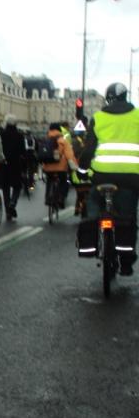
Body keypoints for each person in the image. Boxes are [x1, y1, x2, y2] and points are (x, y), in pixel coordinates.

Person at [78, 82, 139, 276]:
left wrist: (81, 169)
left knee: (93, 206)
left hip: (102, 175)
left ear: (108, 98)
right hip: (131, 177)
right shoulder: (137, 116)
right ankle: (127, 261)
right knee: (128, 216)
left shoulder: (99, 117)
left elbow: (89, 150)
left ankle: (91, 240)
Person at [41, 122, 77, 208]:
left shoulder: (45, 140)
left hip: (48, 167)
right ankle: (61, 198)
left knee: (49, 181)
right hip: (61, 168)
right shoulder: (63, 141)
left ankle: (48, 198)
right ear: (59, 130)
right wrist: (74, 167)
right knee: (64, 181)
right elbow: (69, 155)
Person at [0, 114, 26, 220]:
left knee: (5, 188)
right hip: (15, 164)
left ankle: (7, 211)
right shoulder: (19, 135)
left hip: (4, 163)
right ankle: (13, 203)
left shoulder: (1, 134)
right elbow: (22, 152)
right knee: (17, 187)